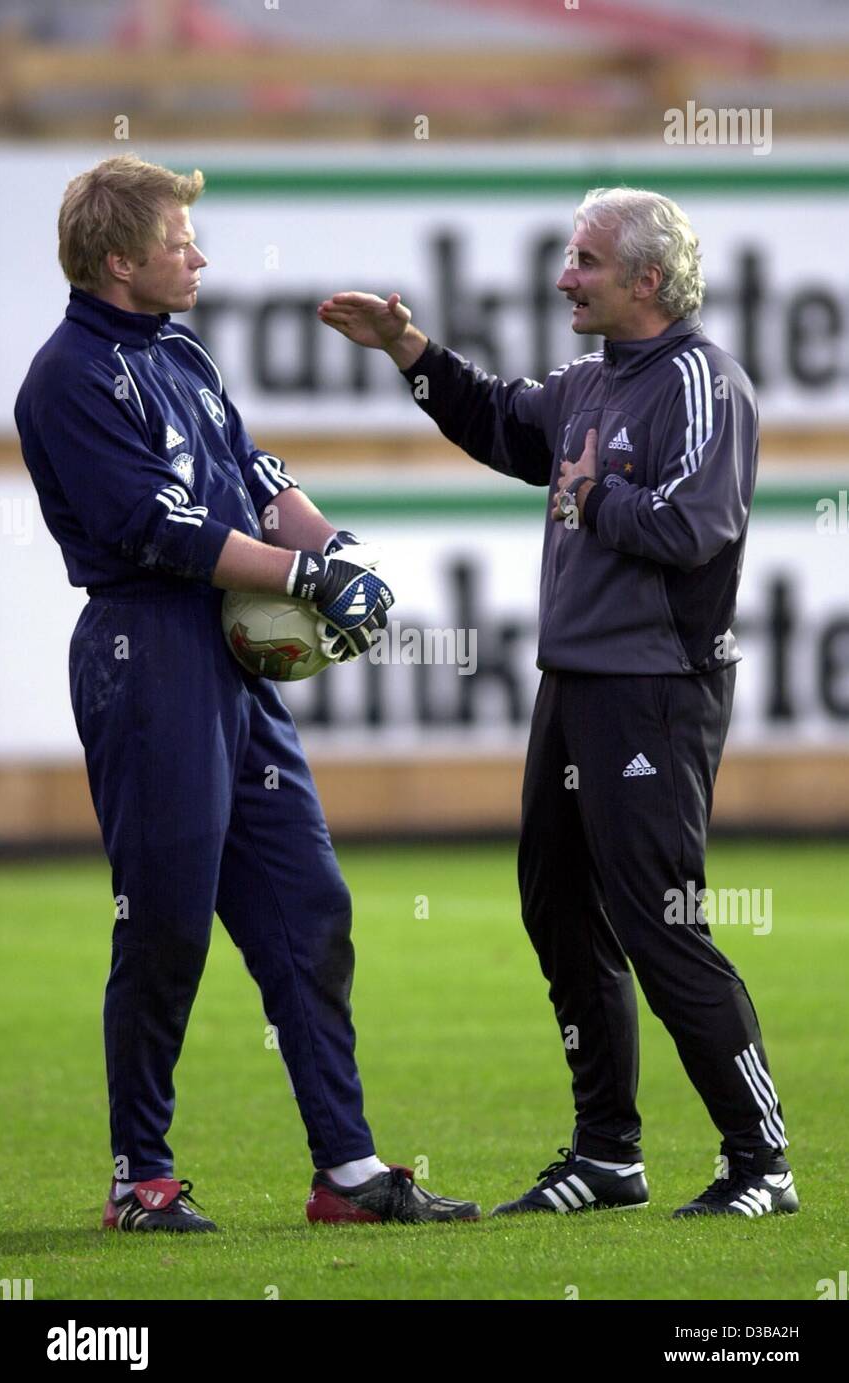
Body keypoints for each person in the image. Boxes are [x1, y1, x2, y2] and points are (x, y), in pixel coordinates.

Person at [14, 153, 479, 1232]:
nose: (201, 257)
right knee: (167, 923)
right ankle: (142, 1176)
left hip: (227, 660)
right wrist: (305, 579)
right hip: (148, 652)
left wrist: (336, 550)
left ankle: (349, 1172)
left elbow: (257, 476)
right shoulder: (67, 377)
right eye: (182, 242)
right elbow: (158, 530)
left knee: (310, 905)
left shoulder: (179, 350)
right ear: (120, 259)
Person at [318, 186, 799, 1220]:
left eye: (583, 259)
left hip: (657, 687)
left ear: (647, 281)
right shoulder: (589, 380)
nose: (563, 277)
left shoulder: (705, 382)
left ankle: (761, 1159)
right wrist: (411, 352)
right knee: (559, 911)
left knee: (661, 921)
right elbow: (501, 421)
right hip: (575, 680)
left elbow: (697, 526)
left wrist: (595, 498)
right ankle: (608, 1153)